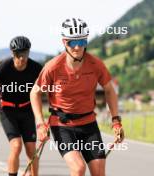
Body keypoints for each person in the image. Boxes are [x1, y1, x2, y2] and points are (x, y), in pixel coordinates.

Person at [30, 18, 125, 176]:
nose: (77, 47)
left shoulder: (95, 64)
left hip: (88, 123)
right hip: (62, 125)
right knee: (78, 168)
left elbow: (109, 90)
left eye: (81, 41)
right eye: (72, 43)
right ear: (64, 42)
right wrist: (40, 123)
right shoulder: (53, 67)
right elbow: (35, 92)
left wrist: (116, 121)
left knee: (99, 170)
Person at [0, 36, 43, 176]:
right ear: (12, 53)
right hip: (8, 110)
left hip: (27, 109)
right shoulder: (4, 67)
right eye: (18, 54)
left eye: (25, 53)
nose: (22, 58)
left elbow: (47, 87)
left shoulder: (36, 67)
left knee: (31, 149)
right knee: (16, 146)